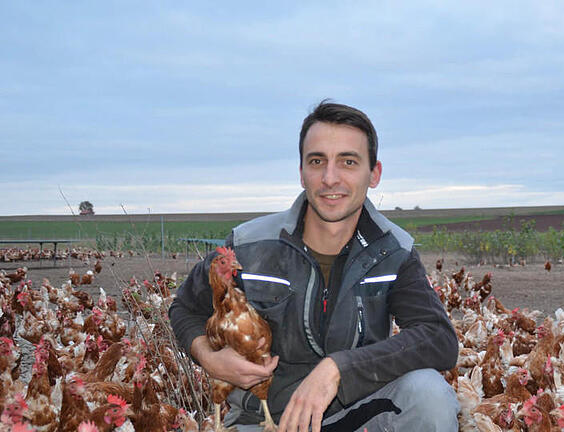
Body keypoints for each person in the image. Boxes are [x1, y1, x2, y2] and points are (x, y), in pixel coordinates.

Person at [169, 100, 459, 432]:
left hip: (355, 415)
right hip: (264, 421)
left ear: (374, 174)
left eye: (348, 162)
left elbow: (439, 338)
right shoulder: (250, 245)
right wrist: (207, 355)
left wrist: (339, 369)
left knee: (429, 395)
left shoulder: (392, 251)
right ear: (302, 172)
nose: (329, 178)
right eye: (317, 161)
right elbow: (184, 308)